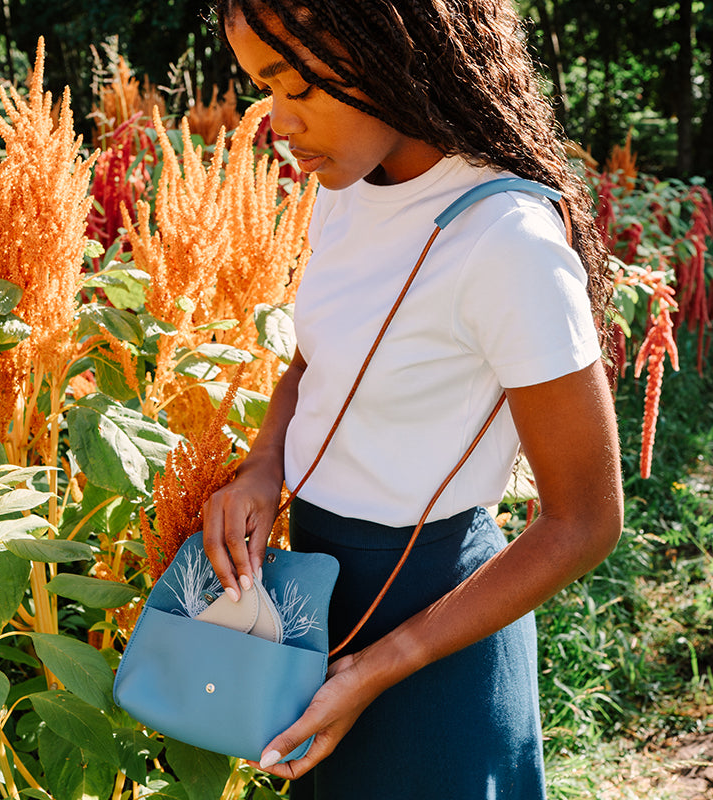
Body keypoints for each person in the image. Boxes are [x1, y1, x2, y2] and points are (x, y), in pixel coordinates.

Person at [202, 1, 624, 797]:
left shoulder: (510, 242)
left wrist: (381, 665)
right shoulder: (352, 182)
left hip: (436, 624)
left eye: (297, 87)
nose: (277, 123)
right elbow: (315, 360)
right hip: (320, 595)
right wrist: (262, 468)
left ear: (392, 53)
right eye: (264, 88)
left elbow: (585, 522)